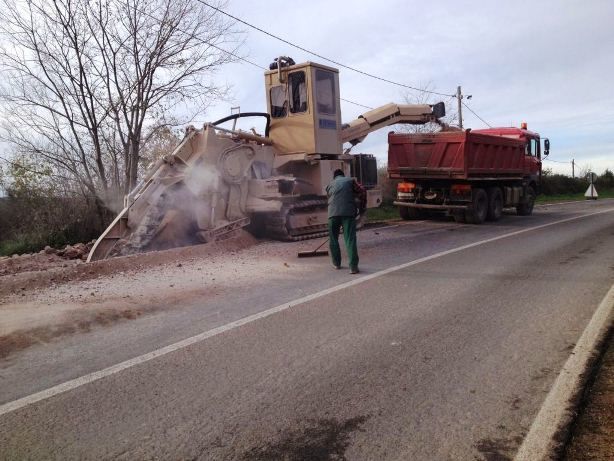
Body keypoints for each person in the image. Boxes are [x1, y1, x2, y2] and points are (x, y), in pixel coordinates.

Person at [326, 169, 366, 274]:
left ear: (334, 177)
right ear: (343, 175)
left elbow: (331, 198)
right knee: (350, 239)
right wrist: (361, 208)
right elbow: (362, 191)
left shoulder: (330, 184)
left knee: (333, 239)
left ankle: (336, 263)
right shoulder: (350, 181)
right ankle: (353, 267)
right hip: (347, 214)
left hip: (332, 214)